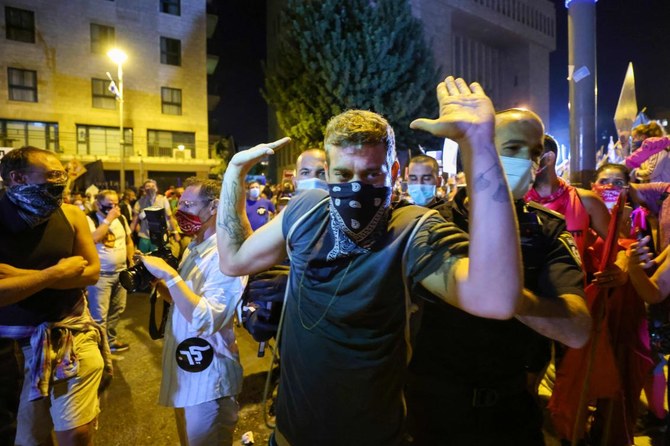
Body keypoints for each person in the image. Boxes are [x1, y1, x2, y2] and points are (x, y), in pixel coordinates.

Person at [216, 76, 522, 445]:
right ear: (327, 175)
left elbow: (496, 298)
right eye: (344, 175)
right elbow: (233, 259)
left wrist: (479, 146)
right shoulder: (305, 212)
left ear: (394, 174)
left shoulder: (411, 229)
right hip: (290, 436)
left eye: (371, 174)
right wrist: (234, 171)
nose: (356, 186)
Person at [406, 109, 591, 445]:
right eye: (513, 149)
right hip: (429, 414)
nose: (528, 162)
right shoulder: (430, 223)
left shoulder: (546, 229)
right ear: (478, 152)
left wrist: (503, 295)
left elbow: (576, 330)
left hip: (510, 413)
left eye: (534, 153)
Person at [0, 146, 108, 446]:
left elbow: (90, 273)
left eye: (62, 173)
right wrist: (57, 273)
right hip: (10, 348)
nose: (61, 180)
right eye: (51, 175)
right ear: (17, 177)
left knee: (75, 432)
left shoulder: (71, 214)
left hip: (69, 335)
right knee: (28, 438)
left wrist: (17, 278)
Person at [137, 177, 247, 446]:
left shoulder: (227, 255)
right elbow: (186, 301)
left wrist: (170, 275)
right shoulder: (194, 247)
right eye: (180, 203)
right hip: (186, 372)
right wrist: (160, 285)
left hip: (210, 380)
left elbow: (208, 318)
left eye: (189, 203)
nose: (181, 210)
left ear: (214, 207)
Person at [521, 115, 610, 262]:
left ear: (549, 159)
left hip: (573, 284)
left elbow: (619, 246)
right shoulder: (516, 203)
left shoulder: (586, 201)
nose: (522, 162)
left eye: (528, 156)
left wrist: (619, 264)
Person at [86, 190, 134, 353]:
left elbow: (128, 240)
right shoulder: (90, 218)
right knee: (99, 314)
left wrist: (131, 258)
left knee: (118, 309)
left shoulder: (121, 218)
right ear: (98, 204)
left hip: (120, 272)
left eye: (116, 204)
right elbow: (94, 238)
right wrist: (108, 219)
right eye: (109, 205)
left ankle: (110, 341)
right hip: (101, 275)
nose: (114, 208)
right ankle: (98, 348)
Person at [131, 179, 179, 253]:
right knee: (142, 257)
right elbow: (135, 220)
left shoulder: (163, 200)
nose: (151, 188)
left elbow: (170, 217)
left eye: (153, 186)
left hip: (159, 236)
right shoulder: (140, 202)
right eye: (148, 186)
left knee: (157, 258)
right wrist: (130, 234)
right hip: (145, 237)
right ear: (144, 189)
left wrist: (175, 232)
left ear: (156, 188)